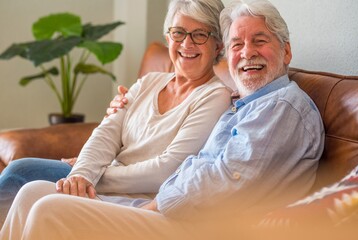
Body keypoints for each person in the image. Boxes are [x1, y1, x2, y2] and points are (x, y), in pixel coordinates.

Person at [0, 0, 325, 239]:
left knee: (47, 204)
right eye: (238, 44)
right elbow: (108, 134)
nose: (246, 52)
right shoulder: (245, 104)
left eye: (260, 40)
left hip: (195, 223)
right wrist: (85, 172)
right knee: (34, 191)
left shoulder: (280, 106)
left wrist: (148, 203)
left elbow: (225, 179)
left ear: (286, 52)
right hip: (165, 205)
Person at [0, 0, 230, 227]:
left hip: (139, 197)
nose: (186, 43)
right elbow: (106, 133)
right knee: (26, 184)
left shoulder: (215, 96)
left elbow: (166, 170)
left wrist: (93, 176)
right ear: (168, 37)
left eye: (200, 35)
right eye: (179, 32)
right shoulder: (149, 82)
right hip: (105, 177)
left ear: (218, 45)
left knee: (25, 177)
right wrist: (81, 174)